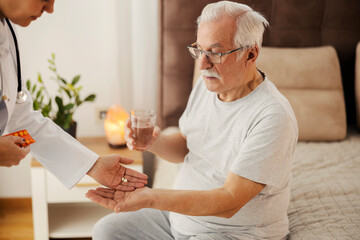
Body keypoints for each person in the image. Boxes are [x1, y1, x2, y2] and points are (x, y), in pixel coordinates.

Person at [87, 1, 298, 239]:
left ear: (250, 53)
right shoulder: (207, 85)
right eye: (199, 49)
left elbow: (230, 201)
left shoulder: (272, 116)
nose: (202, 64)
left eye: (215, 53)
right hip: (177, 220)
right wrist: (152, 142)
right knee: (106, 231)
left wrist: (151, 197)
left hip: (232, 233)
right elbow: (187, 147)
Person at [0, 0, 147, 190]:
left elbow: (23, 121)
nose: (50, 9)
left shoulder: (8, 33)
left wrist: (93, 165)